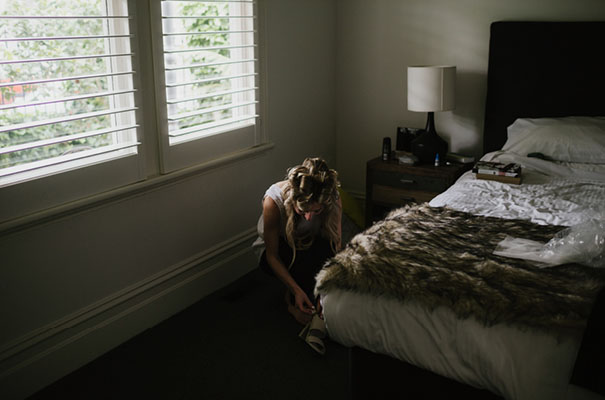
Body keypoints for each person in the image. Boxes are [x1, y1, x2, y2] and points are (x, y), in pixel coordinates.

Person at [252, 157, 342, 354]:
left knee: (328, 279)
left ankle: (309, 295)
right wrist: (296, 290)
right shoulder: (273, 201)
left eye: (316, 211)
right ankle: (291, 301)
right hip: (279, 249)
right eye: (303, 211)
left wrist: (326, 285)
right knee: (303, 280)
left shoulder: (331, 197)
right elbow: (272, 256)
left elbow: (335, 245)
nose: (309, 217)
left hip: (310, 242)